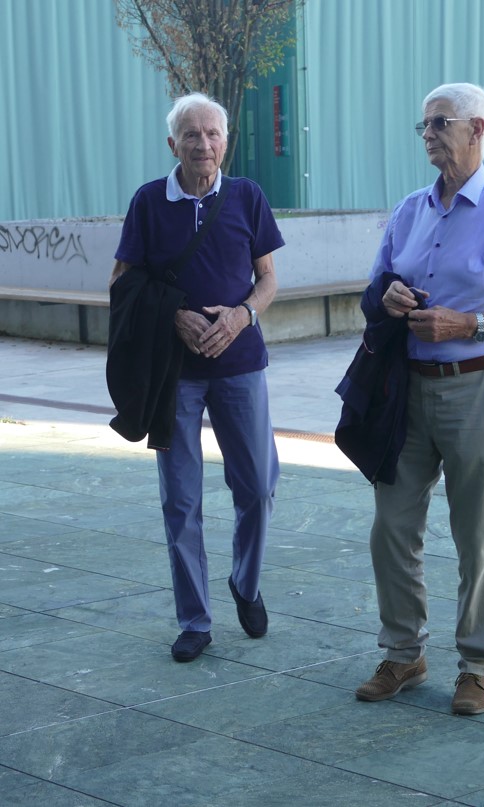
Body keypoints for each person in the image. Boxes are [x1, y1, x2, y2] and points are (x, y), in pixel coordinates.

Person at [354, 83, 484, 713]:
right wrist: (387, 296)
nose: (428, 134)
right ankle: (403, 654)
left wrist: (467, 324)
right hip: (407, 391)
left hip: (479, 388)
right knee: (391, 527)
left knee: (477, 535)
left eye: (440, 122)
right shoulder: (409, 210)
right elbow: (373, 291)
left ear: (477, 129)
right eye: (423, 125)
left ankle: (477, 664)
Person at [110, 92, 284, 662]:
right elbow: (122, 281)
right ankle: (194, 619)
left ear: (225, 142)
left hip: (240, 364)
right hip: (174, 374)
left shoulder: (248, 196)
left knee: (257, 486)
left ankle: (245, 583)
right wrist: (173, 317)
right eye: (191, 134)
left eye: (212, 134)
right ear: (173, 144)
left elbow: (267, 280)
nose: (203, 144)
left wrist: (242, 315)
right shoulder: (148, 201)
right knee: (181, 499)